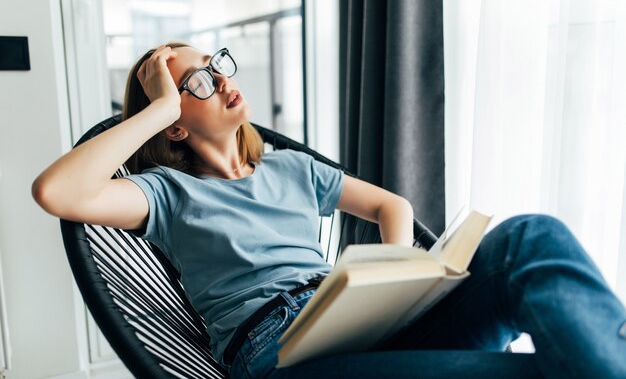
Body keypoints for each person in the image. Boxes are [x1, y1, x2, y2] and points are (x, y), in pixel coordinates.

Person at [32, 43, 626, 379]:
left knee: (528, 237)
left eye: (215, 65)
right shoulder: (165, 192)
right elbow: (58, 193)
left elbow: (392, 205)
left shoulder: (290, 167)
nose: (219, 78)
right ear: (176, 124)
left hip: (359, 316)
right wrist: (158, 110)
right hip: (279, 350)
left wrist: (395, 274)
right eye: (195, 83)